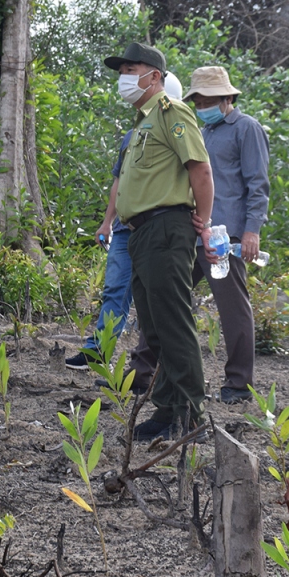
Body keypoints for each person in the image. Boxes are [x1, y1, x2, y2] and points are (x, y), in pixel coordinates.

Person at [105, 43, 216, 441]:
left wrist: (202, 220)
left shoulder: (172, 112)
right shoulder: (140, 125)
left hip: (168, 228)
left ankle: (189, 413)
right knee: (154, 326)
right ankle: (167, 410)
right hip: (141, 234)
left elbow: (200, 169)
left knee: (173, 322)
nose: (124, 78)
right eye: (121, 71)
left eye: (131, 69)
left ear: (154, 76)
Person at [66, 72, 184, 369]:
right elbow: (120, 182)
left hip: (158, 227)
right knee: (115, 290)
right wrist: (108, 222)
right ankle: (98, 351)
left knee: (158, 297)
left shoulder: (178, 129)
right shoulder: (132, 135)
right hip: (124, 230)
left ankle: (153, 363)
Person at [184, 66, 270, 403]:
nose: (202, 104)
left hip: (225, 235)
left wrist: (251, 231)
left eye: (209, 99)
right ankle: (146, 370)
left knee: (233, 308)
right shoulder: (202, 131)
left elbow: (257, 184)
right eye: (198, 99)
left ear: (227, 98)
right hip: (193, 233)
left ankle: (238, 383)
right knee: (164, 297)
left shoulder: (246, 128)